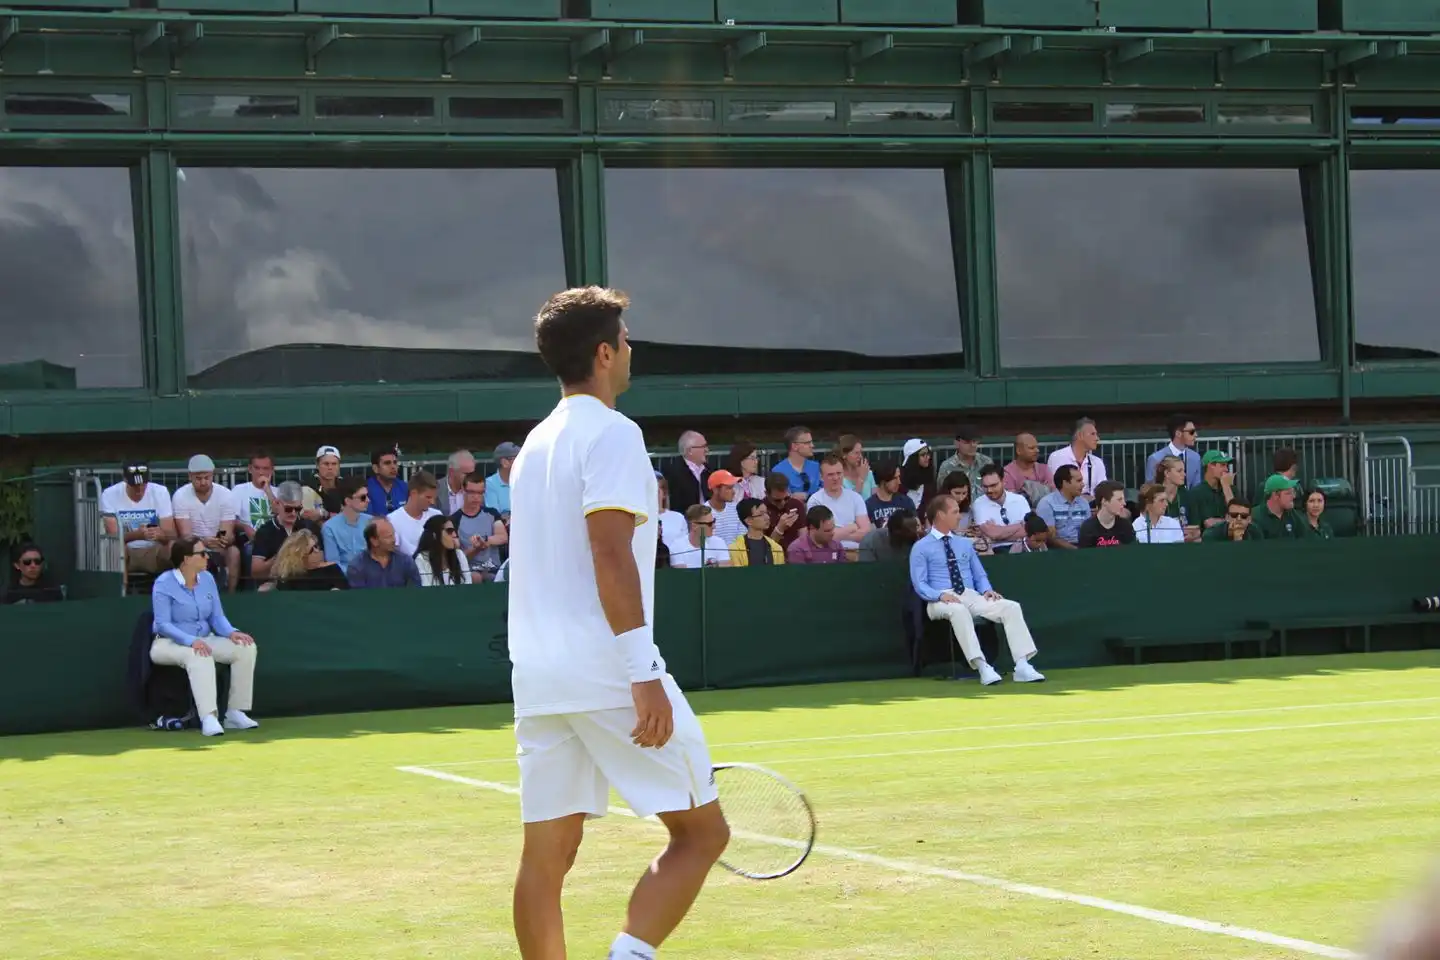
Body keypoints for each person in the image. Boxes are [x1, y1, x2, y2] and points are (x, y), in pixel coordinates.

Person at [506, 287, 729, 960]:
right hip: (605, 669)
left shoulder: (537, 443)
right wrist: (644, 672)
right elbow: (609, 553)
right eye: (626, 341)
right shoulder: (614, 434)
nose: (631, 351)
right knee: (704, 835)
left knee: (548, 856)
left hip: (540, 676)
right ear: (604, 354)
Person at [909, 494, 1045, 686]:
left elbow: (979, 575)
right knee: (958, 611)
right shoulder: (920, 547)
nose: (959, 517)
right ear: (940, 515)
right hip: (938, 600)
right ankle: (983, 667)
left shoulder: (964, 543)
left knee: (1011, 607)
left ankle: (1022, 665)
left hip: (969, 594)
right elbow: (920, 584)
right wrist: (940, 595)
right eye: (955, 512)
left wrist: (987, 590)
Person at [149, 536, 259, 737]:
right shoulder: (164, 583)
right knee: (200, 655)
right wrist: (191, 641)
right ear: (186, 559)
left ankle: (235, 712)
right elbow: (163, 624)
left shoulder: (207, 579)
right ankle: (208, 717)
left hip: (203, 639)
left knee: (245, 648)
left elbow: (217, 616)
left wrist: (231, 632)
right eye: (201, 553)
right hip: (167, 644)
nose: (207, 557)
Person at [414, 514, 471, 586]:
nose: (454, 535)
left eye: (454, 530)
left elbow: (468, 585)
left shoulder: (459, 555)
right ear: (434, 535)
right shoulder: (422, 559)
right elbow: (426, 590)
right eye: (449, 531)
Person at [1078, 481, 1136, 548]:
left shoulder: (1126, 525)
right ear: (1104, 501)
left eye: (1123, 499)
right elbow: (1085, 556)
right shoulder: (1088, 528)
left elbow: (1132, 553)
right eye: (1119, 500)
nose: (1124, 503)